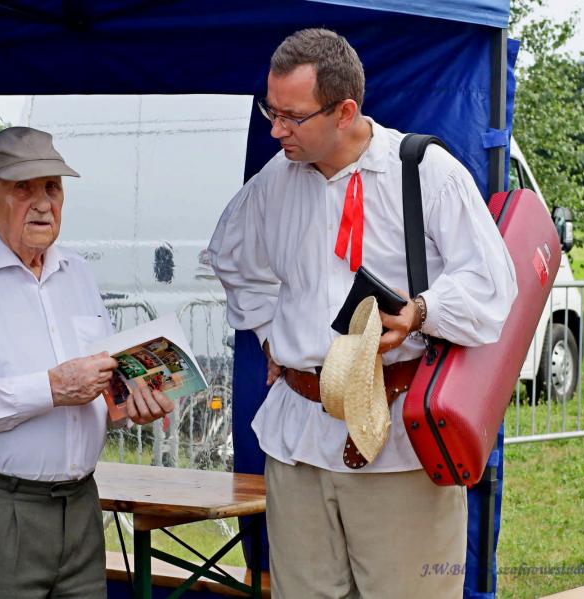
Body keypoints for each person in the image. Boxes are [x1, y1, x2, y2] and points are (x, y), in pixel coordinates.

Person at [208, 29, 517, 598]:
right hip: (299, 442)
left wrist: (421, 312)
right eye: (271, 111)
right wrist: (272, 337)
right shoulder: (274, 180)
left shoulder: (423, 171)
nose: (275, 130)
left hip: (399, 442)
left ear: (345, 111)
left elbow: (493, 286)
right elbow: (231, 258)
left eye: (292, 117)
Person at [0, 126, 173, 598]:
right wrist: (49, 388)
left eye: (52, 187)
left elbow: (96, 391)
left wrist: (130, 406)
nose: (44, 203)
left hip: (79, 510)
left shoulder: (78, 273)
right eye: (23, 188)